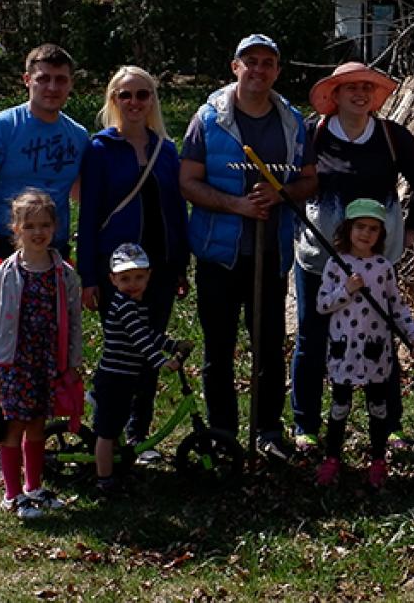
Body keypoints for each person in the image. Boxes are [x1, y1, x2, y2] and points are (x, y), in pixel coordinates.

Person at [180, 34, 315, 461]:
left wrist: (281, 193)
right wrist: (236, 205)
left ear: (277, 70)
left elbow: (311, 179)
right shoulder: (209, 120)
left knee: (270, 346)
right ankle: (223, 433)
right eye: (250, 61)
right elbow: (188, 181)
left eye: (267, 63)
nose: (259, 70)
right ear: (235, 66)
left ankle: (268, 430)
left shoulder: (291, 122)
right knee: (218, 348)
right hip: (219, 253)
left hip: (271, 253)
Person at [292, 61, 414, 450]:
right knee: (312, 336)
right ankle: (306, 425)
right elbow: (292, 182)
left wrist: (413, 226)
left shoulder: (391, 136)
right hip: (320, 257)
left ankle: (391, 424)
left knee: (382, 332)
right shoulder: (311, 135)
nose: (360, 94)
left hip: (375, 261)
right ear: (333, 95)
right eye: (350, 87)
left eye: (367, 87)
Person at [76, 66, 190, 457]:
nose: (135, 103)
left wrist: (180, 265)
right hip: (118, 270)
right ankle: (109, 426)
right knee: (123, 350)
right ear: (113, 100)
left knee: (151, 352)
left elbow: (176, 209)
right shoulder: (100, 149)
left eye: (143, 95)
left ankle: (139, 432)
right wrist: (88, 275)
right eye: (126, 95)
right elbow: (89, 214)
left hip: (158, 265)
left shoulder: (166, 149)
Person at [0, 190, 81, 519]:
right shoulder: (5, 274)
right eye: (30, 226)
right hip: (13, 362)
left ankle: (33, 487)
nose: (38, 233)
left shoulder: (64, 274)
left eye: (45, 225)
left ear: (55, 228)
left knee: (38, 423)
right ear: (16, 229)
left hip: (47, 361)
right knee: (15, 426)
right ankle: (12, 494)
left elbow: (75, 320)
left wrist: (73, 361)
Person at [313, 199, 414, 491]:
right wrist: (346, 290)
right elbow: (322, 304)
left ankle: (378, 460)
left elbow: (396, 307)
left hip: (376, 352)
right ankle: (332, 458)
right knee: (340, 405)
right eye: (360, 227)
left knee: (378, 406)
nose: (366, 234)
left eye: (373, 229)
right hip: (344, 350)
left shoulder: (383, 267)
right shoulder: (336, 264)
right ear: (348, 229)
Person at [0, 44, 89, 304]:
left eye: (60, 80)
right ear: (27, 80)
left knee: (52, 337)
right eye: (43, 79)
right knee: (4, 339)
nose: (52, 88)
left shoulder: (78, 136)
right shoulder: (0, 128)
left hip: (55, 255)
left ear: (70, 84)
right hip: (5, 253)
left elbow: (85, 198)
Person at [91, 244, 192, 495]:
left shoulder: (137, 305)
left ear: (148, 276)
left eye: (138, 277)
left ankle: (116, 464)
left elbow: (149, 334)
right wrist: (162, 361)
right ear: (113, 280)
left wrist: (172, 345)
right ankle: (104, 479)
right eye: (125, 278)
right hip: (113, 378)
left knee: (117, 422)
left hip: (126, 378)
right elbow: (141, 340)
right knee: (106, 431)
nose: (132, 283)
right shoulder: (124, 305)